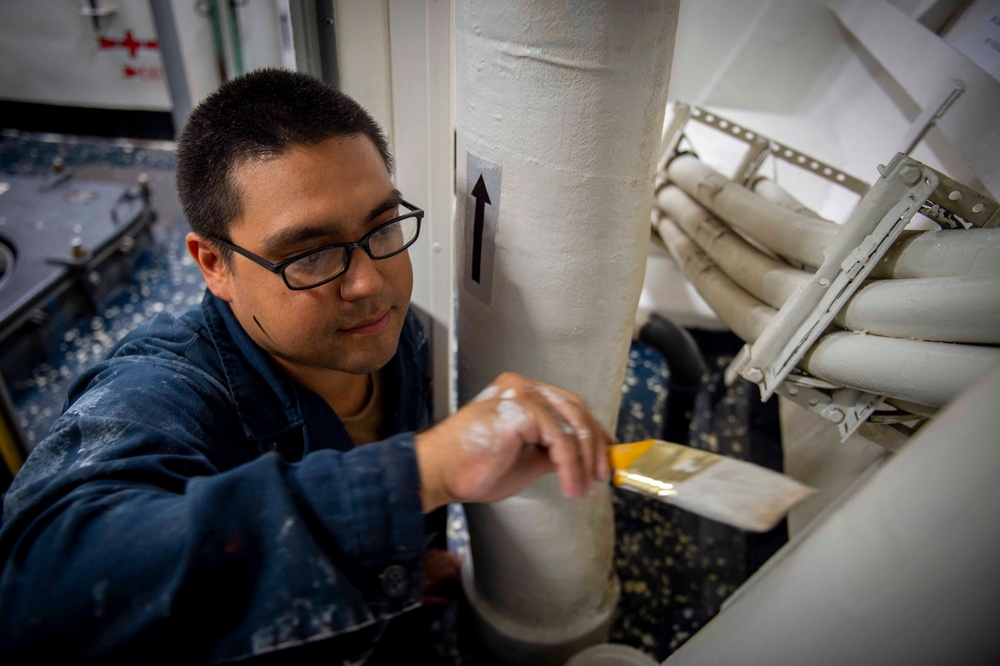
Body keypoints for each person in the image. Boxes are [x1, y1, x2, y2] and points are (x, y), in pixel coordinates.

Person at [0, 68, 613, 664]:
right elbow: (40, 592)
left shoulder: (401, 338)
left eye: (382, 227)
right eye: (312, 255)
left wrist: (381, 565)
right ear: (213, 264)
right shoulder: (165, 390)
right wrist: (420, 472)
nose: (370, 283)